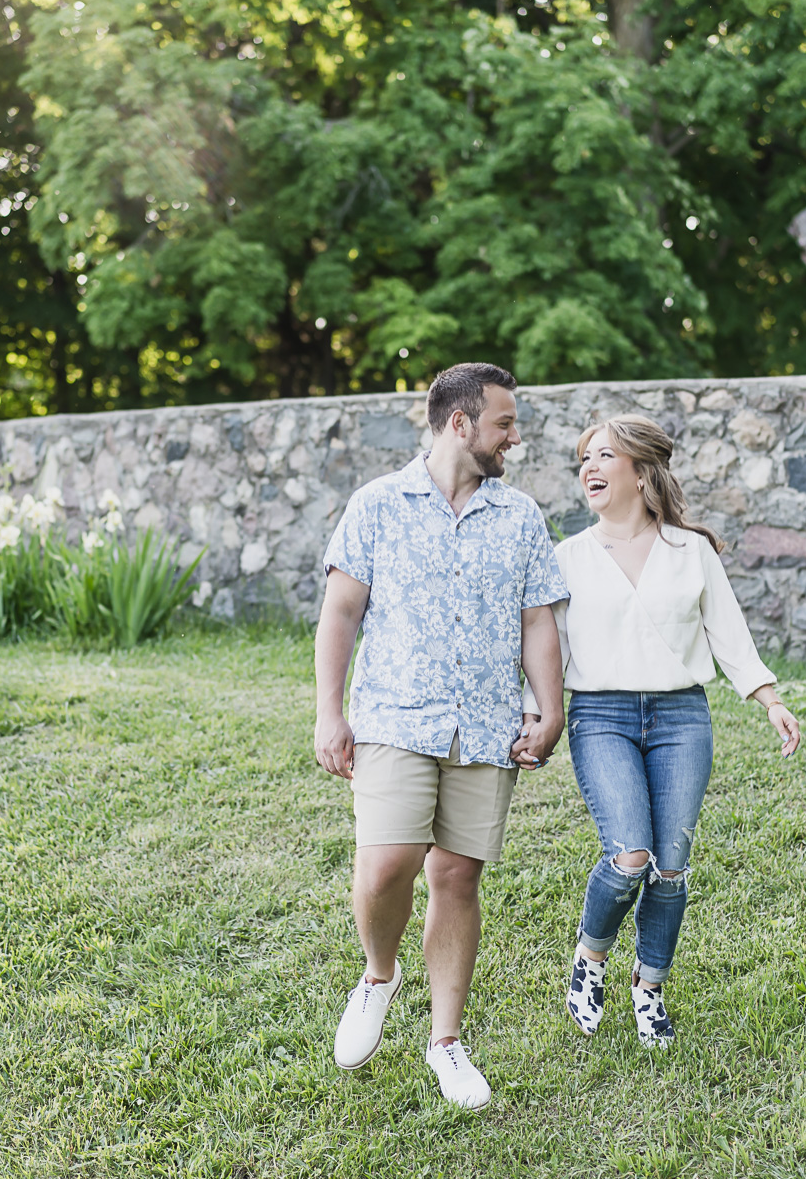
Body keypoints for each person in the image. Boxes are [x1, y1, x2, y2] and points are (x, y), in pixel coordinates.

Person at [315, 362, 568, 1108]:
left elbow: (537, 622)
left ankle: (446, 1042)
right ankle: (378, 976)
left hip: (487, 726)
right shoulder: (377, 506)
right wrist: (330, 713)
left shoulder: (519, 517)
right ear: (460, 424)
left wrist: (548, 709)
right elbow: (340, 613)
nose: (514, 438)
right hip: (394, 714)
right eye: (504, 424)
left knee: (456, 877)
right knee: (388, 864)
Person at [522, 413, 802, 1048]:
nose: (589, 468)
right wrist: (534, 713)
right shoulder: (567, 557)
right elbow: (546, 647)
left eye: (603, 456)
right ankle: (589, 961)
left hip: (681, 718)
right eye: (584, 458)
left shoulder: (689, 550)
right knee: (629, 857)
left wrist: (769, 699)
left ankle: (649, 989)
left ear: (640, 471)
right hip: (601, 717)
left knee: (670, 867)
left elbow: (728, 633)